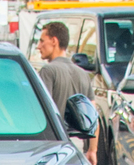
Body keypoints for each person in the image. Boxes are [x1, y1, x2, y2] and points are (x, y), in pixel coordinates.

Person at [34, 21, 97, 154]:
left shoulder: (48, 71)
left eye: (42, 41)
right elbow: (93, 117)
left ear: (54, 41)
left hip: (54, 146)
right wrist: (92, 150)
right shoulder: (83, 74)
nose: (38, 46)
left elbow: (41, 112)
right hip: (77, 148)